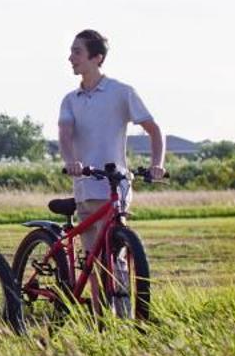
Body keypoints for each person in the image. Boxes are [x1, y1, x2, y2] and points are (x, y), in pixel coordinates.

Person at [56, 28, 164, 269]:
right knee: (91, 262)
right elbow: (65, 134)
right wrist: (71, 161)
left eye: (77, 52)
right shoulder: (70, 100)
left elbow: (154, 130)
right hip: (84, 186)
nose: (71, 58)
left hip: (116, 187)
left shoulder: (121, 92)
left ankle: (122, 308)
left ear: (97, 58)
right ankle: (98, 308)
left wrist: (157, 164)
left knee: (116, 258)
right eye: (71, 52)